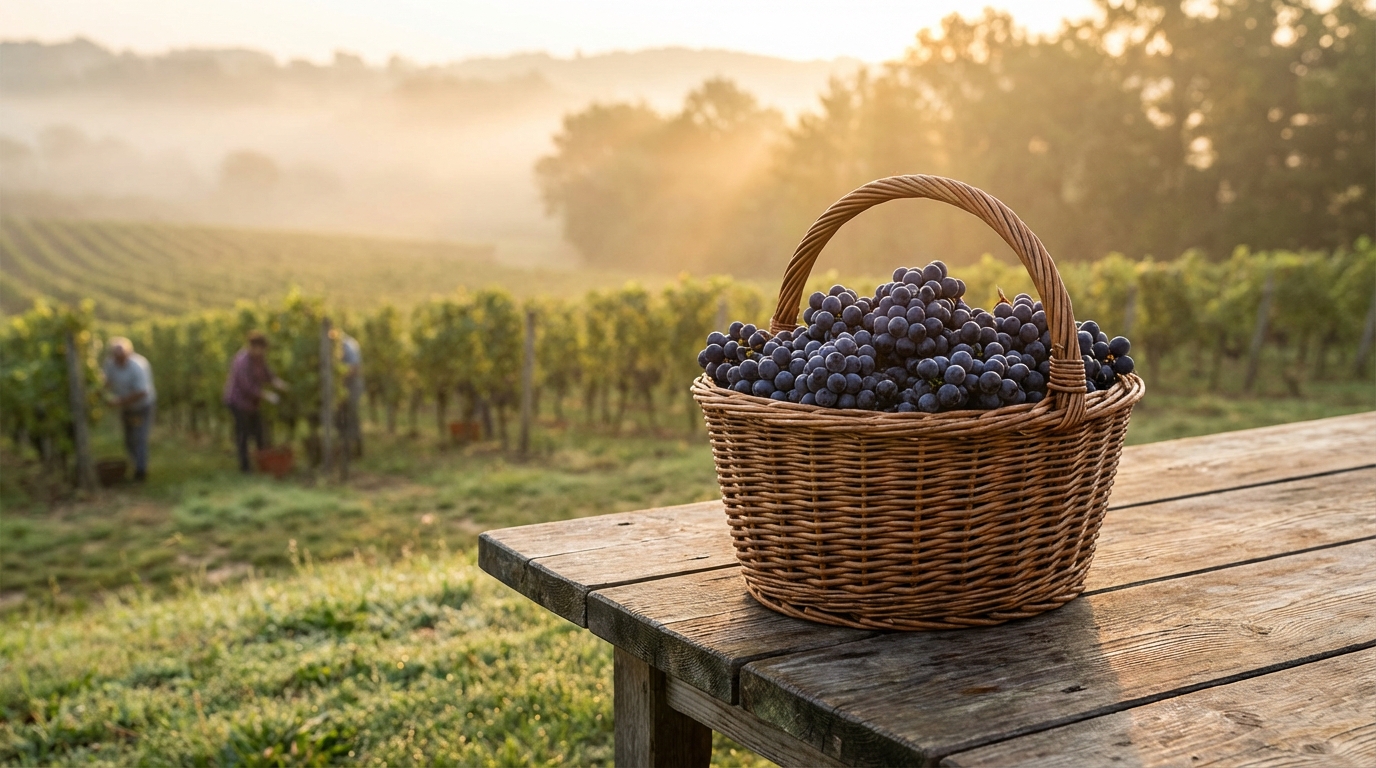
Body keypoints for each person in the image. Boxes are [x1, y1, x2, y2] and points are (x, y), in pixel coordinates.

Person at [223, 331, 285, 473]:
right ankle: (245, 468)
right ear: (253, 347)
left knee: (259, 431)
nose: (263, 352)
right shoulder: (242, 361)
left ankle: (264, 464)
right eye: (261, 349)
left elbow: (266, 372)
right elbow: (246, 386)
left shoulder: (259, 358)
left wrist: (276, 381)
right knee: (243, 433)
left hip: (251, 403)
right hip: (237, 401)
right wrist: (265, 395)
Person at [103, 337, 156, 482]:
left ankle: (141, 471)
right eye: (115, 357)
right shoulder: (110, 364)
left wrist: (119, 401)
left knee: (139, 437)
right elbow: (107, 381)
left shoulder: (138, 366)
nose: (118, 360)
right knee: (129, 439)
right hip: (127, 408)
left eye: (121, 357)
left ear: (129, 353)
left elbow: (142, 392)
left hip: (142, 407)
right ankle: (135, 464)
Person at [339, 332, 364, 458]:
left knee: (351, 417)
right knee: (341, 418)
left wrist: (339, 378)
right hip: (342, 388)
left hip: (352, 386)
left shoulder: (349, 344)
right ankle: (346, 449)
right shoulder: (335, 346)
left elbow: (355, 367)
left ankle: (357, 449)